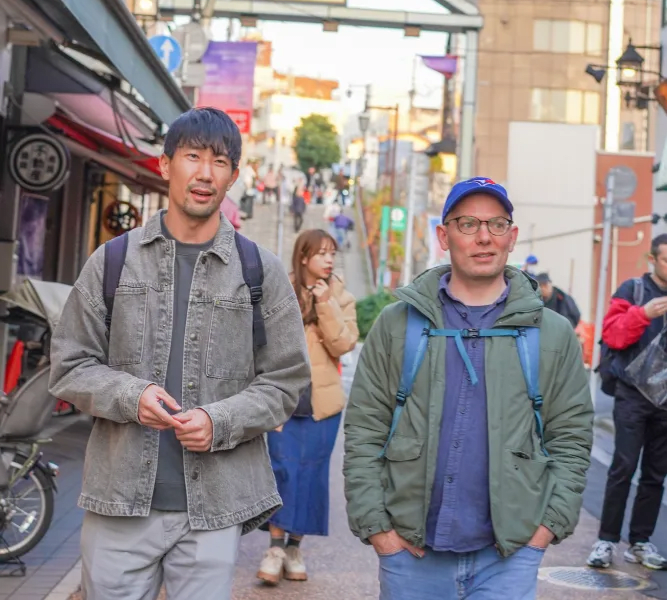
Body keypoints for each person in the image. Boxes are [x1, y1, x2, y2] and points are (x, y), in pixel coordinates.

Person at [49, 107, 310, 600]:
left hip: (214, 505)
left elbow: (286, 382)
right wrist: (131, 395)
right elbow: (68, 365)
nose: (205, 173)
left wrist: (220, 420)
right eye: (192, 156)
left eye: (220, 161)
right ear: (166, 165)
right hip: (119, 500)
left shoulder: (261, 270)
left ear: (234, 175)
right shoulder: (113, 260)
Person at [344, 176, 593, 600]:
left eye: (497, 225)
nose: (483, 237)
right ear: (444, 236)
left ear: (512, 237)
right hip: (409, 555)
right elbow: (364, 430)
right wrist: (379, 530)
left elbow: (571, 436)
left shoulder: (551, 333)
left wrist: (546, 528)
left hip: (509, 559)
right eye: (467, 224)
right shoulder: (398, 325)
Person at [258, 229, 358, 586]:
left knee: (312, 476)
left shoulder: (341, 296)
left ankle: (295, 547)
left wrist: (327, 303)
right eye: (322, 253)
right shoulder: (281, 291)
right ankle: (274, 548)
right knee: (281, 471)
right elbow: (264, 343)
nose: (329, 260)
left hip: (323, 405)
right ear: (304, 257)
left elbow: (344, 343)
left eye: (333, 253)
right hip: (285, 401)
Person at [587, 234, 667, 572]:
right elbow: (614, 335)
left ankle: (639, 542)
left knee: (655, 473)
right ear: (653, 259)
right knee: (623, 466)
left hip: (665, 400)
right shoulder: (633, 291)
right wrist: (643, 314)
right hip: (632, 394)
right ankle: (605, 540)